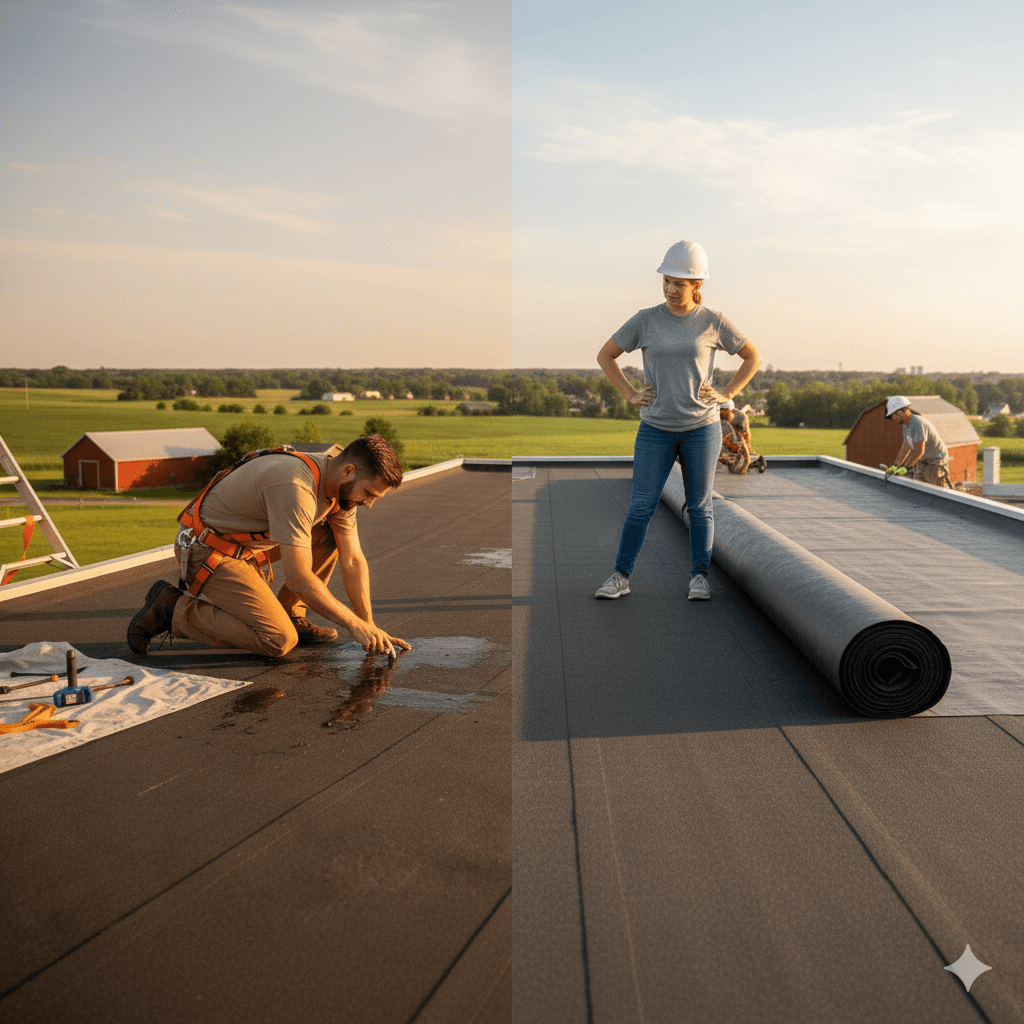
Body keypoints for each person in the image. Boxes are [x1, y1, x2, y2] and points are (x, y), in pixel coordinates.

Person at [127, 434, 411, 659]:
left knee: (327, 536)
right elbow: (299, 579)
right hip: (207, 550)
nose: (370, 503)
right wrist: (353, 624)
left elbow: (353, 559)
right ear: (349, 470)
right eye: (369, 493)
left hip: (245, 545)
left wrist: (370, 626)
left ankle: (290, 612)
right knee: (278, 640)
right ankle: (173, 609)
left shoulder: (340, 488)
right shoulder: (296, 487)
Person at [594, 240, 762, 602]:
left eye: (680, 283)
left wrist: (726, 393)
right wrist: (629, 393)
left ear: (696, 286)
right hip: (655, 427)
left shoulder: (713, 322)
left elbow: (752, 357)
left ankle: (699, 577)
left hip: (701, 428)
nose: (671, 289)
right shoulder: (645, 319)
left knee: (700, 506)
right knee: (641, 505)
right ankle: (620, 576)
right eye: (667, 281)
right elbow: (606, 355)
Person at [885, 396, 953, 489]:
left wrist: (906, 467)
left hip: (936, 461)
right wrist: (896, 464)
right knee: (919, 489)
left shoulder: (917, 423)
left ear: (904, 410)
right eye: (892, 415)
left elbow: (919, 451)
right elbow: (906, 446)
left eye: (896, 414)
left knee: (937, 492)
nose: (894, 418)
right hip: (922, 461)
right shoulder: (905, 426)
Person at [718, 401, 766, 474]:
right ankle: (734, 464)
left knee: (736, 469)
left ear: (728, 410)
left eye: (721, 411)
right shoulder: (720, 416)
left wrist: (747, 460)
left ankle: (757, 461)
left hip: (740, 438)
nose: (719, 413)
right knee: (725, 458)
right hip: (730, 437)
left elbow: (745, 439)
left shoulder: (740, 420)